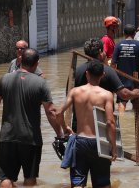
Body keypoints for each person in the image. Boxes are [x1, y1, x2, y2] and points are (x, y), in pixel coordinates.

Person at [0, 48, 63, 188]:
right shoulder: (41, 83)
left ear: (20, 60)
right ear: (36, 63)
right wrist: (59, 134)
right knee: (30, 180)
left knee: (6, 179)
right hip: (31, 139)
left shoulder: (4, 79)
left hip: (7, 138)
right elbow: (51, 112)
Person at [56, 60, 117, 188]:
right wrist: (114, 146)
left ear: (87, 74)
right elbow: (110, 122)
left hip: (80, 141)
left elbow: (58, 113)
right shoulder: (107, 95)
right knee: (102, 182)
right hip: (99, 143)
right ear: (103, 75)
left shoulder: (75, 92)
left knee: (78, 182)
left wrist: (65, 128)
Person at [73, 38, 139, 128]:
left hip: (79, 124)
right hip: (101, 126)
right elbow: (123, 94)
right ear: (100, 52)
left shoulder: (77, 71)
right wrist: (136, 93)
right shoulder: (107, 71)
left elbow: (69, 94)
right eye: (104, 50)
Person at [111, 24, 139, 112]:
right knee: (136, 105)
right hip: (135, 79)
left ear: (124, 33)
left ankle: (122, 123)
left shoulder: (118, 45)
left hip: (121, 81)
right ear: (134, 33)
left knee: (122, 103)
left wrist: (112, 81)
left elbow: (113, 65)